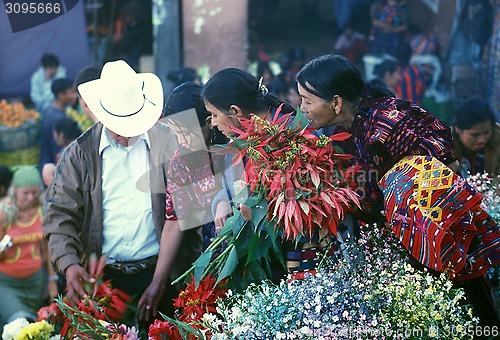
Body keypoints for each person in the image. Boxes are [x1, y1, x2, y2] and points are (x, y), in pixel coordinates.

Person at [296, 54, 500, 326]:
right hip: (404, 248)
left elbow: (446, 165)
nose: (302, 108)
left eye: (307, 101)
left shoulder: (389, 120)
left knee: (472, 315)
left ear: (336, 102)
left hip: (444, 237)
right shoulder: (341, 139)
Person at [43, 60, 200, 325]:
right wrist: (69, 263)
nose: (125, 133)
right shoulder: (79, 154)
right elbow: (59, 215)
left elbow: (191, 214)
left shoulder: (172, 141)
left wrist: (169, 277)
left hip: (164, 271)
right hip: (104, 278)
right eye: (118, 124)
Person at [202, 68, 294, 231]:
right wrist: (223, 201)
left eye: (215, 115)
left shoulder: (294, 136)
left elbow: (306, 204)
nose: (214, 123)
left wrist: (259, 215)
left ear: (235, 111)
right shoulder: (237, 146)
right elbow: (232, 188)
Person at [162, 81, 226, 250]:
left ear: (209, 121)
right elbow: (175, 219)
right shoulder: (182, 160)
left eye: (187, 133)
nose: (182, 141)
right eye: (177, 134)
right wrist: (157, 278)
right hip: (213, 250)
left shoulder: (235, 145)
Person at [0, 166, 57, 330]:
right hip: (8, 285)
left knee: (36, 328)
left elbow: (48, 250)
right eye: (26, 193)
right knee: (19, 323)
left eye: (35, 192)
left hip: (36, 284)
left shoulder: (42, 212)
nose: (31, 197)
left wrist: (52, 282)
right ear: (15, 191)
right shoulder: (4, 214)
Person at [453, 96, 500, 177]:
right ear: (458, 129)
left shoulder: (497, 142)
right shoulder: (443, 148)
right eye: (475, 135)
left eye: (486, 132)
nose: (482, 140)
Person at [39, 78, 76, 171]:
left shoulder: (48, 109)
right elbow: (56, 147)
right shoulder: (58, 118)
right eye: (71, 92)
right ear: (61, 95)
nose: (74, 95)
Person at [41, 116, 83, 187]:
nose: (54, 137)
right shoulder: (84, 147)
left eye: (55, 134)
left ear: (61, 135)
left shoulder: (63, 155)